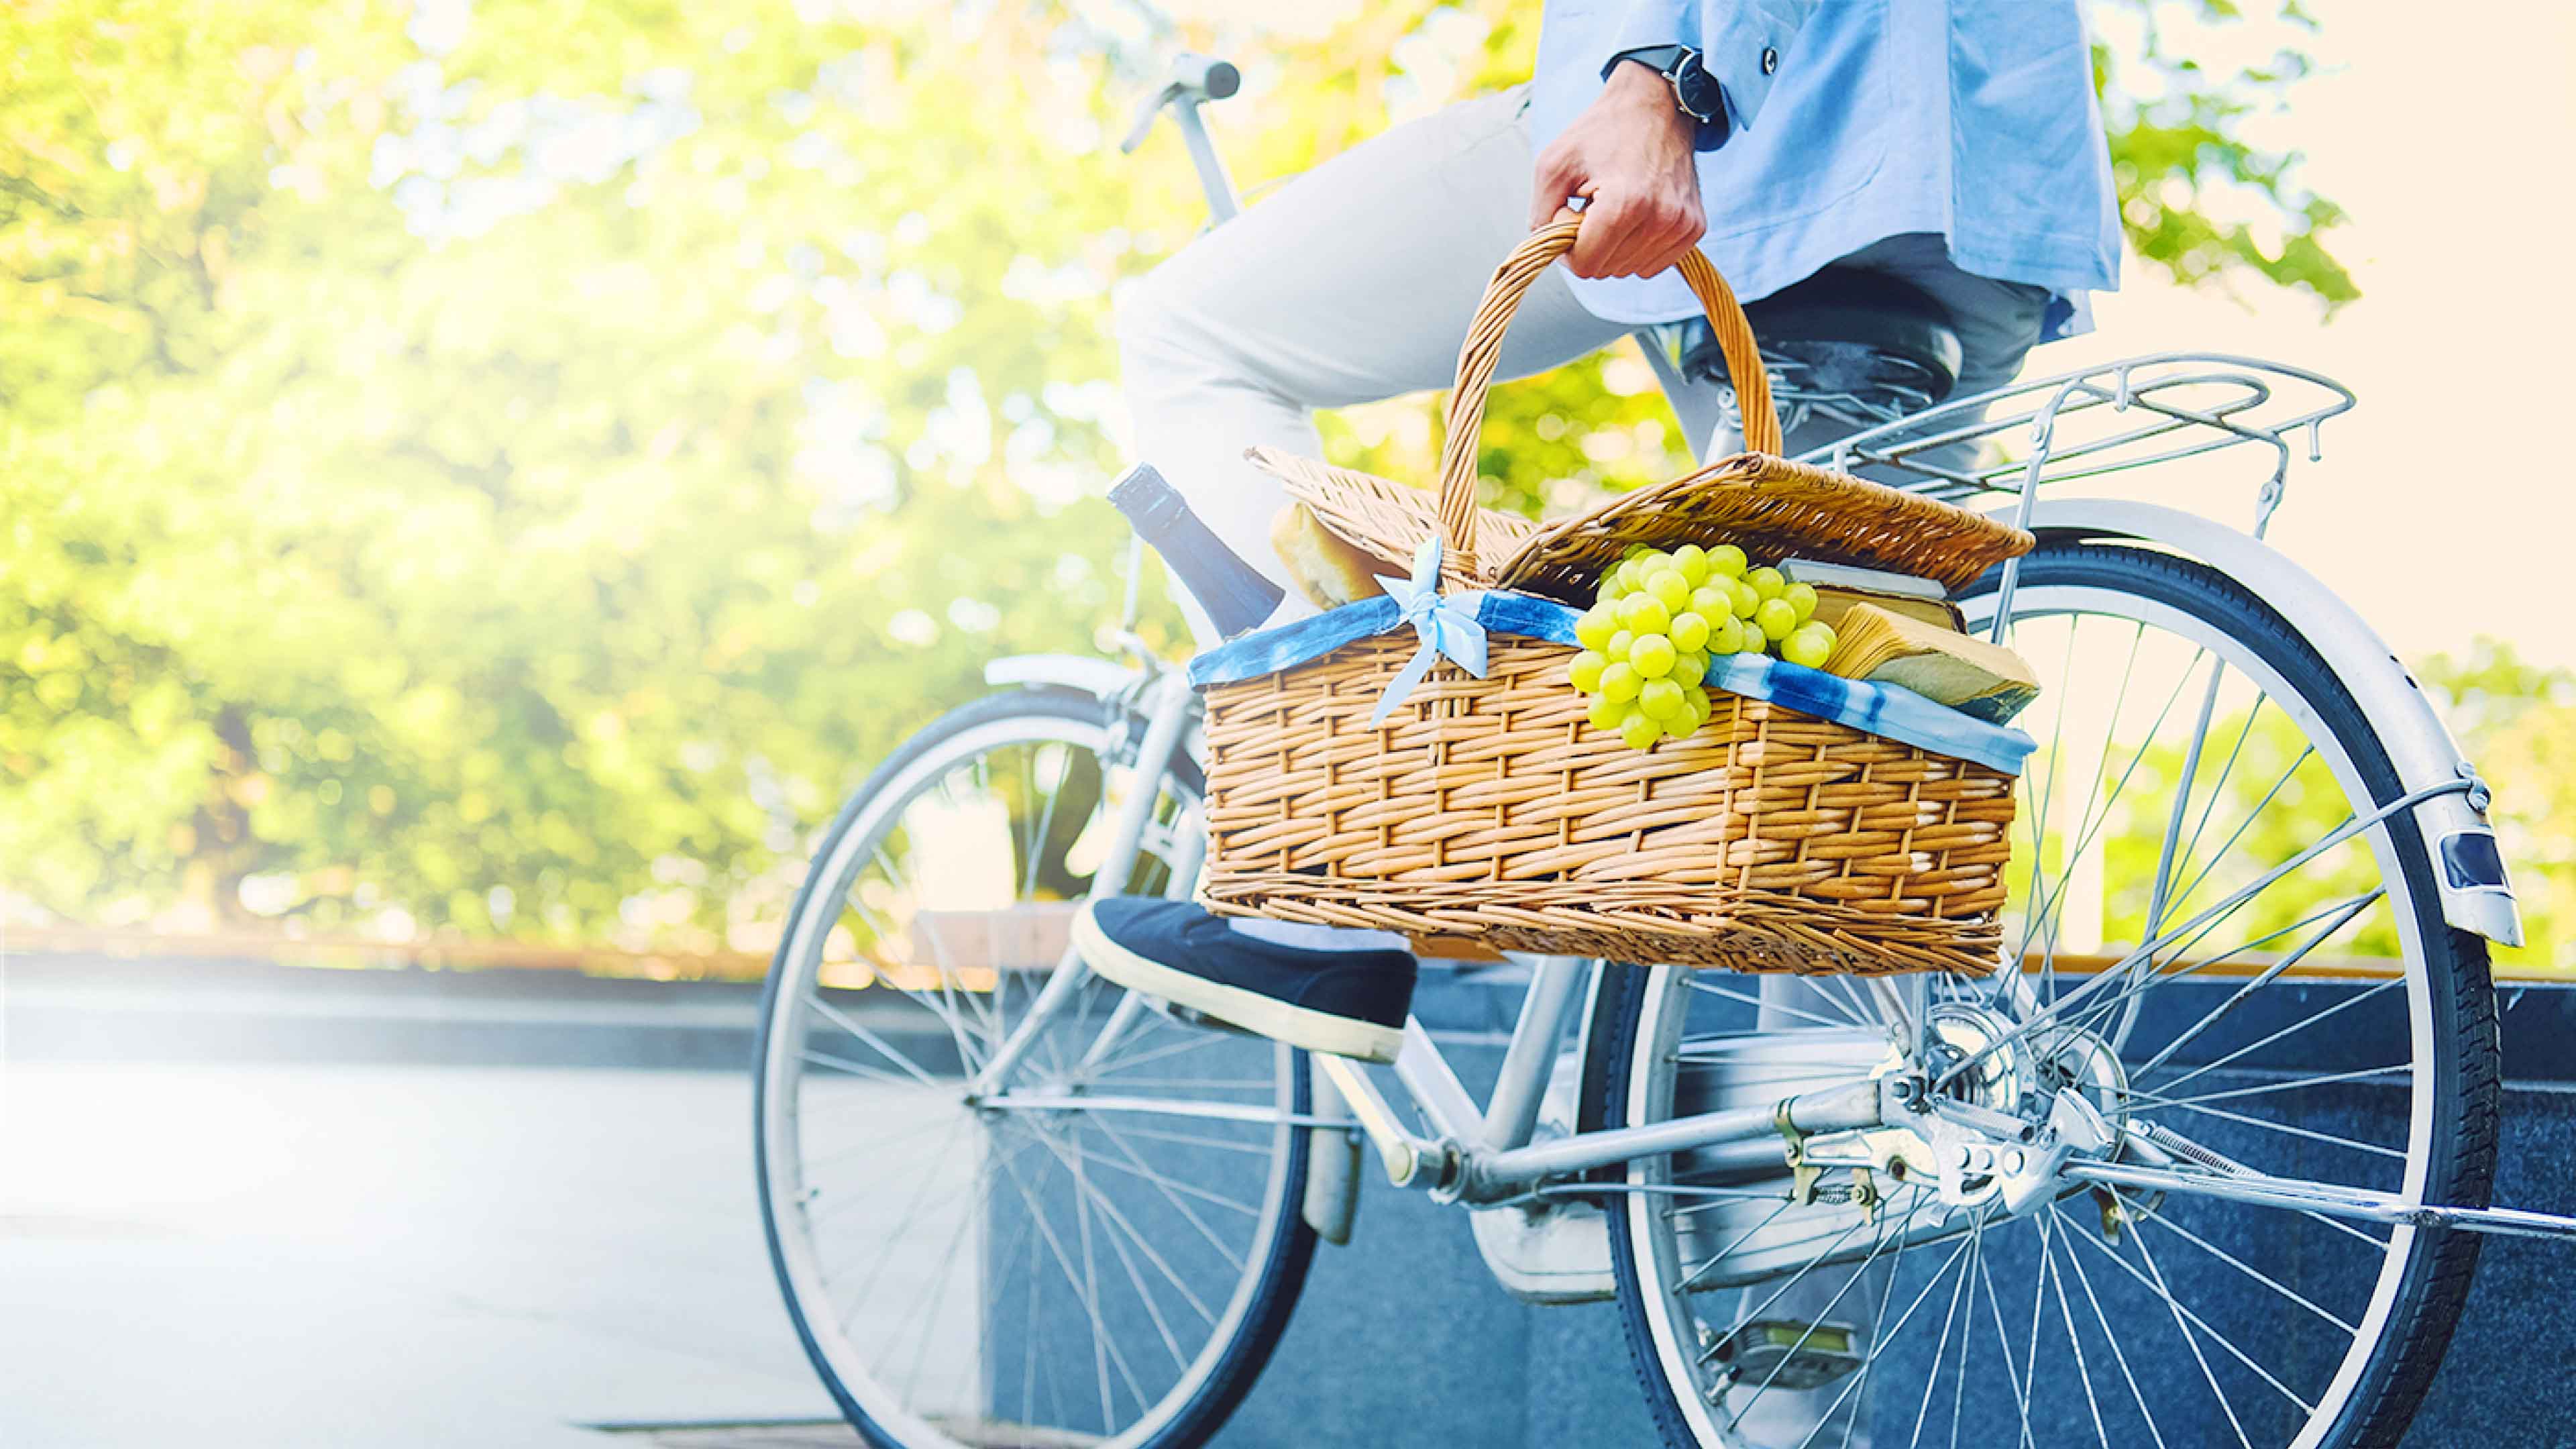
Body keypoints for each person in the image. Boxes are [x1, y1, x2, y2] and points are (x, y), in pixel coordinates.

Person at [1079, 0, 2118, 1059]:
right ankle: (1815, 1151)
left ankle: (1319, 877)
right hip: (1988, 201)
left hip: (1763, 126)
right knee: (1836, 747)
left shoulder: (1671, 91)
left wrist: (1654, 80)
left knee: (1184, 333)